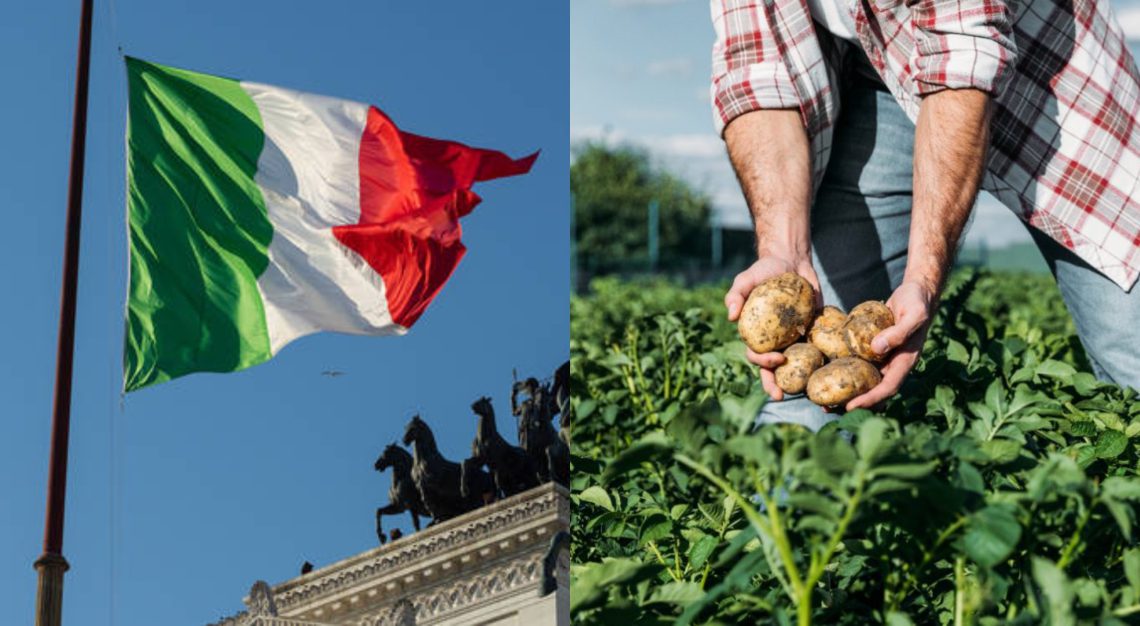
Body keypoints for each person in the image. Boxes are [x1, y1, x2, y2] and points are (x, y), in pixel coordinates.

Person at [711, 0, 1140, 430]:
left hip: (1048, 71)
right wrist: (784, 250)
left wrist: (923, 277)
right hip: (870, 74)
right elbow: (756, 70)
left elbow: (963, 48)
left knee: (1131, 355)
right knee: (802, 394)